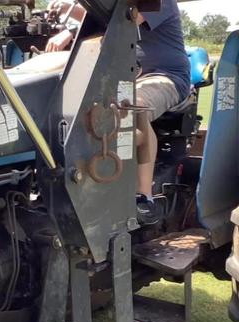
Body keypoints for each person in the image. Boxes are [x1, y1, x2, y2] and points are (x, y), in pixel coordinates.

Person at [45, 0, 191, 225]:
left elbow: (125, 20)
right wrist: (69, 31)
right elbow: (98, 23)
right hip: (127, 76)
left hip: (164, 76)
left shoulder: (160, 2)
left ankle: (143, 197)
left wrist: (70, 9)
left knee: (130, 108)